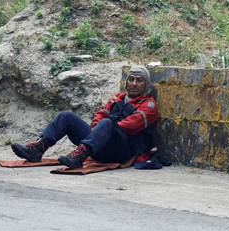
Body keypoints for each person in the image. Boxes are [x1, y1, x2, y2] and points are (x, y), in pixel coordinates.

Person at [11, 65, 159, 169]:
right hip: (98, 144)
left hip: (121, 150)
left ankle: (79, 156)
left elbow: (131, 125)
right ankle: (38, 148)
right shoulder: (118, 98)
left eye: (139, 81)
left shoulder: (149, 105)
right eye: (131, 79)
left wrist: (105, 129)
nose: (134, 83)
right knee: (66, 116)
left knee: (107, 123)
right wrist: (98, 129)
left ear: (146, 85)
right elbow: (100, 114)